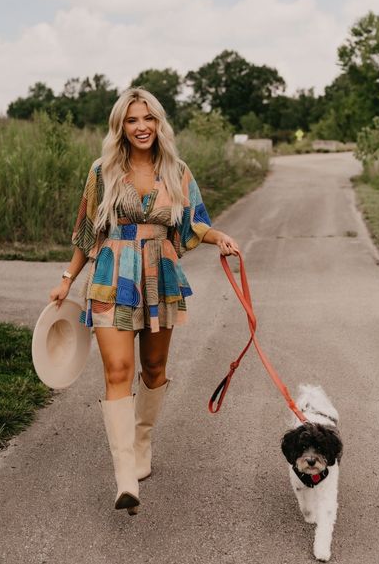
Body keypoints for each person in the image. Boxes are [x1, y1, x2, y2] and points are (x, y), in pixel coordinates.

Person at [49, 87, 239, 515]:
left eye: (148, 119)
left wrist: (220, 237)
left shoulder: (176, 170)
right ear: (121, 125)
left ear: (159, 124)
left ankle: (142, 442)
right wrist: (66, 278)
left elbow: (196, 222)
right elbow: (87, 234)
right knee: (118, 370)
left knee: (154, 369)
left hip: (160, 274)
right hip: (112, 276)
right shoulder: (102, 171)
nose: (141, 127)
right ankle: (124, 476)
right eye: (133, 120)